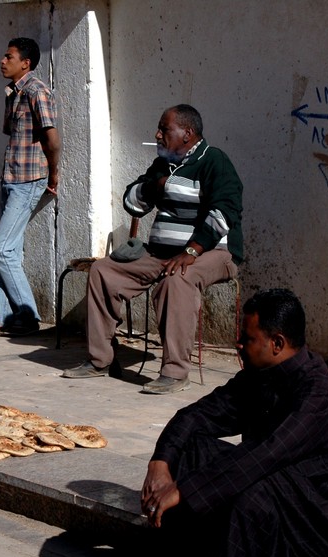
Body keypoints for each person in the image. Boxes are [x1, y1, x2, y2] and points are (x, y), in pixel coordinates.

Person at [113, 289, 328, 557]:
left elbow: (265, 456)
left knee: (252, 487)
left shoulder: (319, 394)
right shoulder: (259, 375)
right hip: (277, 486)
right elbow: (194, 417)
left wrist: (184, 491)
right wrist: (161, 464)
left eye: (247, 338)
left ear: (277, 342)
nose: (239, 345)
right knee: (192, 449)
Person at [61, 104, 242, 394]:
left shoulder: (214, 162)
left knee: (178, 280)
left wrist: (193, 251)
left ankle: (175, 372)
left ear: (188, 133)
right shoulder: (163, 163)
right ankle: (99, 360)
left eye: (164, 129)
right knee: (104, 270)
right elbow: (132, 203)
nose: (157, 134)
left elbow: (225, 212)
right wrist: (152, 189)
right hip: (160, 254)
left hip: (212, 253)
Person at [0, 37, 61, 337]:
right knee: (11, 250)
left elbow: (52, 139)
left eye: (9, 56)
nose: (2, 61)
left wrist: (53, 174)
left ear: (26, 63)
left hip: (29, 181)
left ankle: (28, 315)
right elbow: (14, 135)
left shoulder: (37, 91)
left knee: (1, 248)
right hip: (11, 178)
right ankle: (2, 316)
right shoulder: (13, 93)